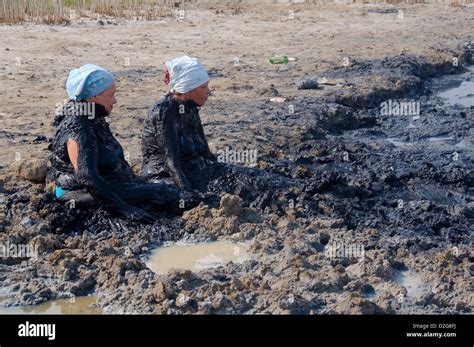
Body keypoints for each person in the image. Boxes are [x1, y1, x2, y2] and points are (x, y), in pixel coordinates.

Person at [49, 64, 188, 222]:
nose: (115, 101)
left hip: (110, 184)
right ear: (94, 96)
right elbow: (87, 178)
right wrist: (126, 210)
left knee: (166, 193)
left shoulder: (93, 115)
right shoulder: (79, 127)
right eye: (111, 95)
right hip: (77, 193)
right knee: (163, 194)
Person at [141, 56, 216, 191]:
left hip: (193, 171)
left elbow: (206, 153)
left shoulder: (191, 106)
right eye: (203, 87)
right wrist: (188, 194)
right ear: (187, 90)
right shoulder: (164, 113)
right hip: (163, 178)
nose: (208, 92)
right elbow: (171, 163)